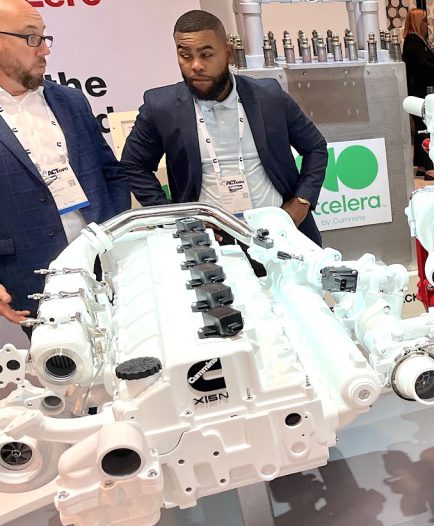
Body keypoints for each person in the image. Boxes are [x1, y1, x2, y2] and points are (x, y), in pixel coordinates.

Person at [121, 11, 326, 245]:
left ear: (228, 53)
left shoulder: (268, 96)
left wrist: (302, 201)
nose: (196, 65)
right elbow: (133, 165)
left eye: (206, 54)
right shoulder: (161, 107)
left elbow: (315, 147)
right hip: (210, 242)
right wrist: (175, 218)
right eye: (185, 55)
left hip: (280, 232)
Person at [0, 0, 129, 324]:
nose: (44, 49)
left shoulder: (70, 101)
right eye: (32, 38)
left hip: (106, 268)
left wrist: (114, 230)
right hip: (30, 283)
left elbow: (111, 174)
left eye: (44, 37)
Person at [401, 8, 434, 180]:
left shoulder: (416, 40)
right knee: (426, 127)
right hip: (420, 90)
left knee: (421, 127)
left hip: (419, 89)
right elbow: (421, 66)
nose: (427, 24)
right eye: (425, 21)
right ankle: (429, 168)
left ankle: (422, 165)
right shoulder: (413, 42)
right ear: (418, 22)